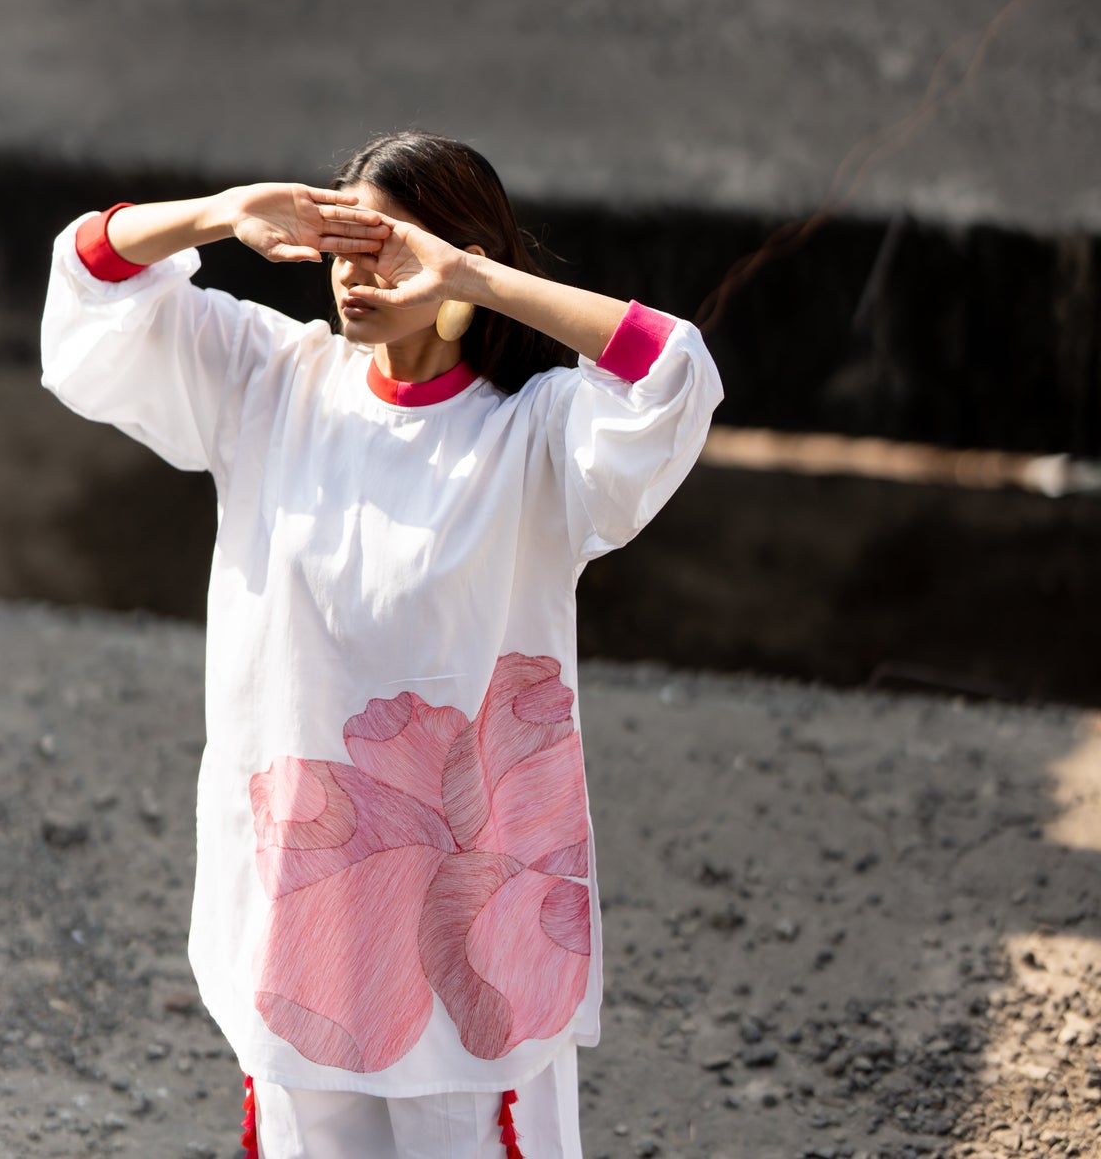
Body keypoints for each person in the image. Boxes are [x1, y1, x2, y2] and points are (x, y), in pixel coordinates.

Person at [40, 129, 724, 1159]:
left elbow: (673, 371)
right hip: (303, 901)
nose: (359, 272)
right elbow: (91, 283)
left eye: (394, 248)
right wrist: (222, 210)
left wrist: (477, 277)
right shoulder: (271, 380)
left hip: (474, 921)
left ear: (462, 262)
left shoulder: (538, 435)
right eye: (348, 241)